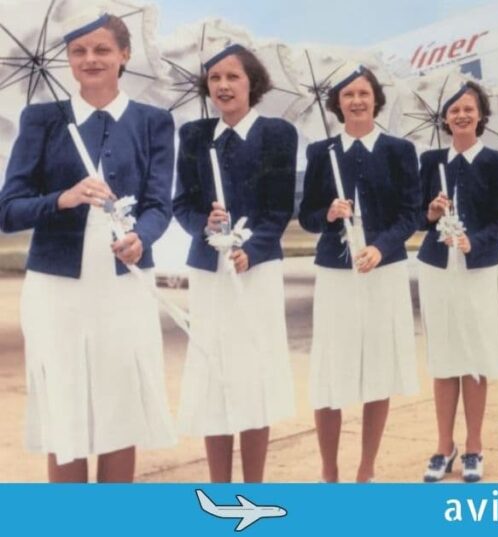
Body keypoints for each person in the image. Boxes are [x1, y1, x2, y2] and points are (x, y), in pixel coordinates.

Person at [0, 12, 176, 482]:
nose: (90, 59)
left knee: (120, 408)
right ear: (69, 61)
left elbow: (160, 203)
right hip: (57, 289)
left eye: (101, 49)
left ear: (124, 55)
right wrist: (64, 198)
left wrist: (145, 237)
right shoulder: (40, 120)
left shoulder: (154, 122)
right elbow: (9, 209)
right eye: (78, 51)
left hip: (124, 284)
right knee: (66, 409)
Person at [173, 44, 297, 482]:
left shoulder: (278, 134)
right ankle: (220, 492)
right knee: (215, 375)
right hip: (210, 272)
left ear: (252, 83)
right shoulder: (193, 136)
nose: (223, 86)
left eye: (233, 77)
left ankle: (254, 489)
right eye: (214, 79)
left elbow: (280, 208)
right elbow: (182, 203)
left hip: (257, 271)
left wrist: (253, 248)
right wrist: (204, 225)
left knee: (253, 375)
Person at [299, 64, 420, 483]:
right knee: (330, 372)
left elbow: (411, 215)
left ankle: (366, 468)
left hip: (382, 273)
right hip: (336, 273)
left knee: (379, 368)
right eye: (348, 95)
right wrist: (327, 213)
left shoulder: (399, 151)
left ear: (375, 99)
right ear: (337, 104)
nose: (356, 101)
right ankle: (329, 469)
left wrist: (380, 248)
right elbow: (307, 217)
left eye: (364, 93)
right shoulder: (321, 153)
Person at [418, 81, 498, 482]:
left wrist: (473, 241)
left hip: (476, 268)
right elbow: (414, 217)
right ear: (445, 118)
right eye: (454, 109)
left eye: (469, 109)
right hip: (437, 267)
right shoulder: (430, 161)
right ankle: (445, 444)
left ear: (480, 115)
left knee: (474, 355)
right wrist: (430, 211)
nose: (461, 115)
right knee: (444, 358)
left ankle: (474, 444)